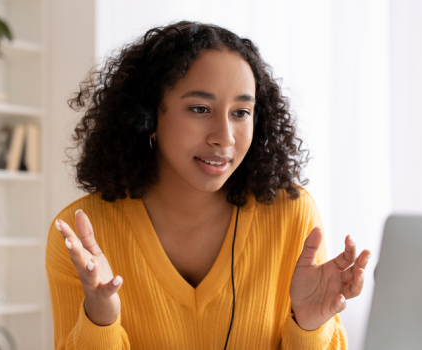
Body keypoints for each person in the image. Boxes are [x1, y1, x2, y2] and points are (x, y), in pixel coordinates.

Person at [46, 20, 371, 349]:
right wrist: (100, 320)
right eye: (200, 109)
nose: (225, 137)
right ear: (146, 119)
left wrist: (308, 325)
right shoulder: (81, 237)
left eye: (241, 112)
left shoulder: (291, 215)